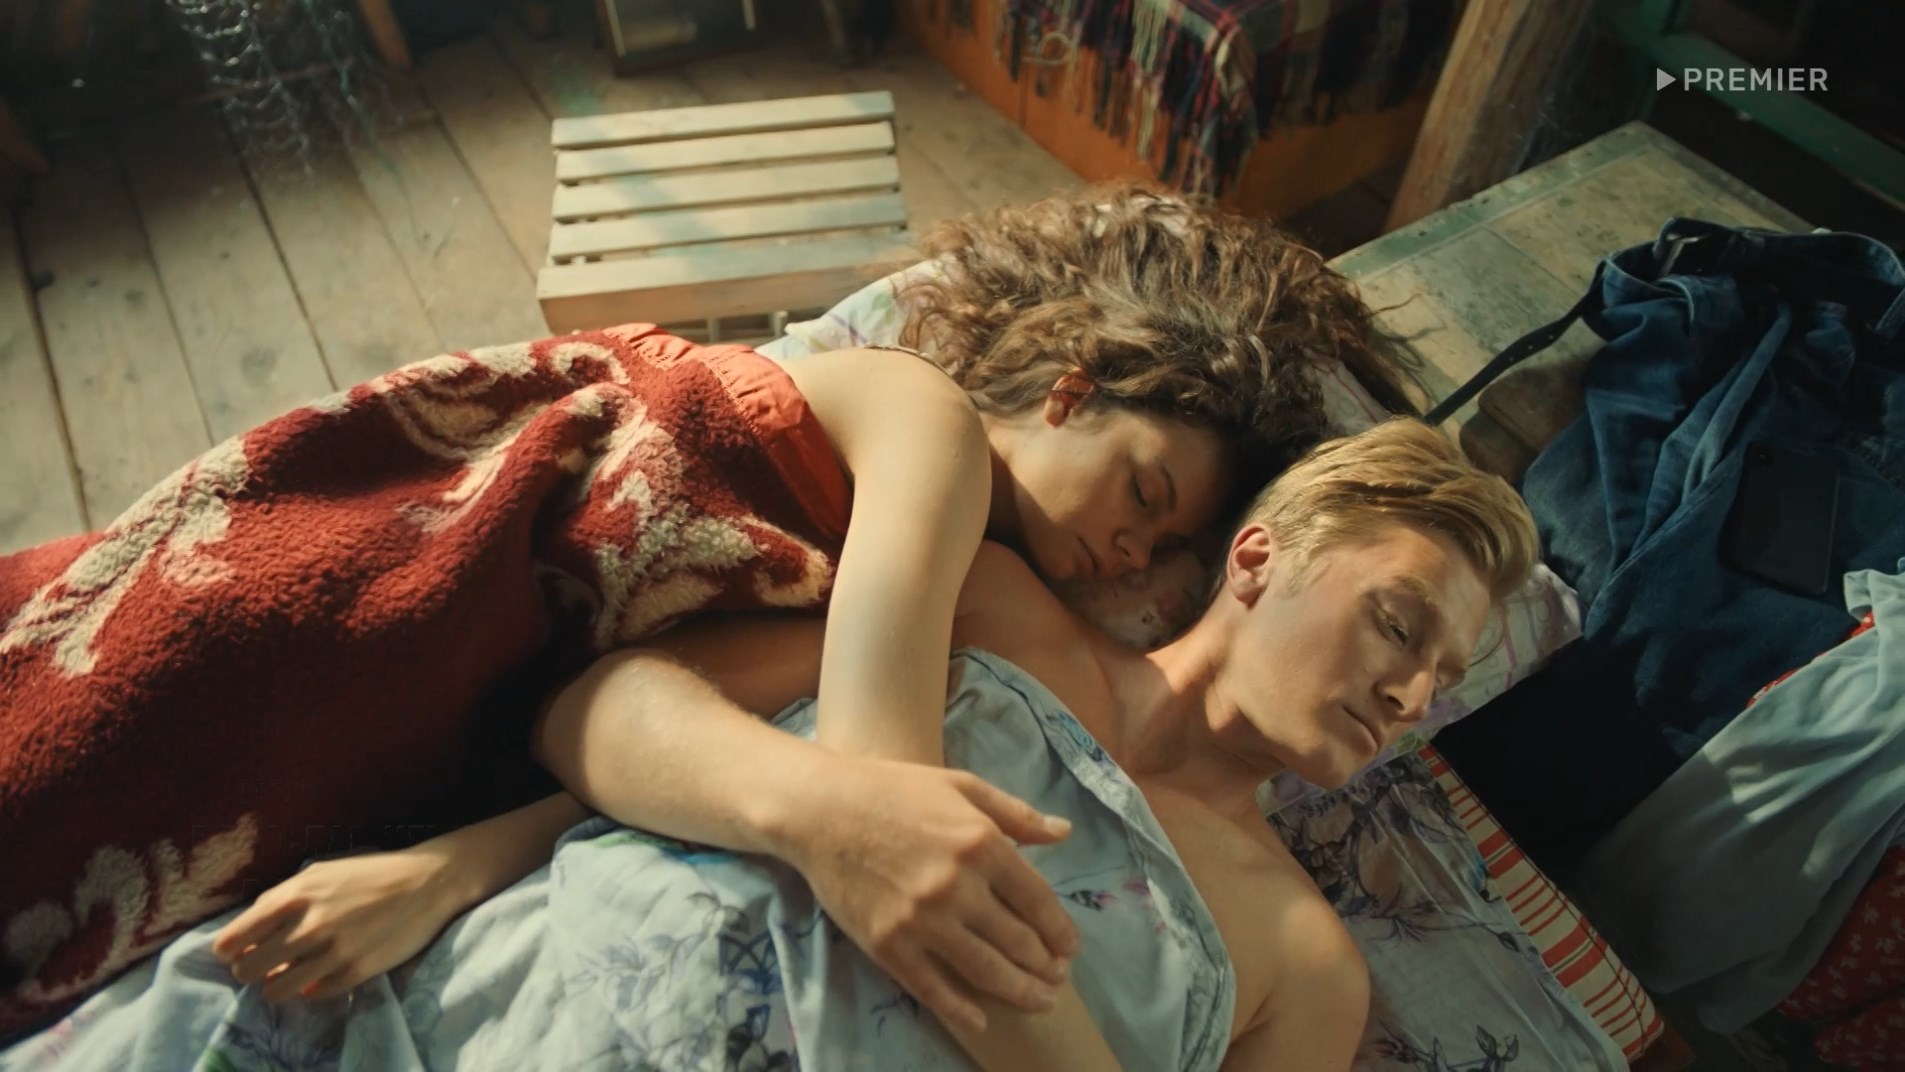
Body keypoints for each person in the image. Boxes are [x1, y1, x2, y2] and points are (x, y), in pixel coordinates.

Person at [199, 182, 1405, 1021]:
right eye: (1144, 491)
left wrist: (445, 868)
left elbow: (715, 722)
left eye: (1165, 546)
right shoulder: (929, 434)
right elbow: (879, 791)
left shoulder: (965, 582)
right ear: (1070, 394)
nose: (1132, 550)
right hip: (416, 566)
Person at [522, 418, 1538, 1068]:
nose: (1411, 695)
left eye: (1441, 681)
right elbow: (601, 705)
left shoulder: (1307, 973)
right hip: (525, 1010)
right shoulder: (1000, 611)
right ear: (1257, 559)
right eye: (1398, 625)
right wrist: (831, 816)